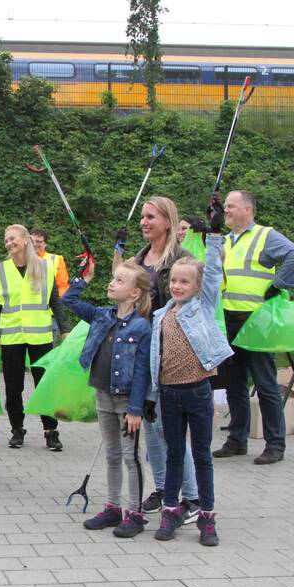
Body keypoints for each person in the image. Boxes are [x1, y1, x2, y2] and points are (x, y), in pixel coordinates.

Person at [149, 195, 232, 547]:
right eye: (174, 282)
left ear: (197, 287)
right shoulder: (159, 315)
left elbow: (212, 270)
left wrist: (214, 234)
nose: (178, 286)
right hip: (168, 393)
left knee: (201, 455)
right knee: (172, 455)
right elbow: (156, 356)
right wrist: (151, 395)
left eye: (185, 282)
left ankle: (207, 517)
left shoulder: (202, 306)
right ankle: (170, 512)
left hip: (197, 391)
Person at [115, 197, 201, 521]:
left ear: (168, 220)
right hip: (142, 352)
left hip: (169, 353)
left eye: (150, 217)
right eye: (142, 217)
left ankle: (191, 496)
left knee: (170, 429)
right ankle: (165, 489)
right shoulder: (139, 259)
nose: (144, 222)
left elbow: (193, 305)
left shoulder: (182, 259)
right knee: (150, 424)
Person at [214, 190, 294, 465]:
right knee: (234, 385)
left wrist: (277, 286)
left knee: (265, 385)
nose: (226, 210)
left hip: (255, 322)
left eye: (231, 206)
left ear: (247, 209)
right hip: (229, 320)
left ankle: (275, 445)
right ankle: (237, 440)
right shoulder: (226, 241)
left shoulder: (265, 236)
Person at [63, 259, 152, 537]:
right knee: (112, 455)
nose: (112, 283)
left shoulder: (141, 328)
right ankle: (114, 507)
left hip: (127, 404)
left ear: (135, 292)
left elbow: (142, 372)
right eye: (113, 278)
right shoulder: (102, 315)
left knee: (129, 456)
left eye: (120, 280)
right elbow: (69, 299)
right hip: (103, 396)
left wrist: (136, 408)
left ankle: (135, 513)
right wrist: (83, 279)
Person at [0, 224, 70, 451]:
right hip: (12, 337)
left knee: (44, 385)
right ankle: (17, 430)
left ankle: (51, 431)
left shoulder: (45, 268)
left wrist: (65, 329)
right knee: (14, 387)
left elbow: (55, 302)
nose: (8, 243)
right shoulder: (0, 270)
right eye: (6, 240)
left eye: (12, 238)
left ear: (25, 240)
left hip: (40, 335)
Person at [29, 228, 70, 296]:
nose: (34, 244)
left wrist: (55, 303)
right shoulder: (21, 259)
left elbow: (62, 286)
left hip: (48, 305)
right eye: (32, 241)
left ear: (45, 244)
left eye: (38, 241)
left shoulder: (56, 259)